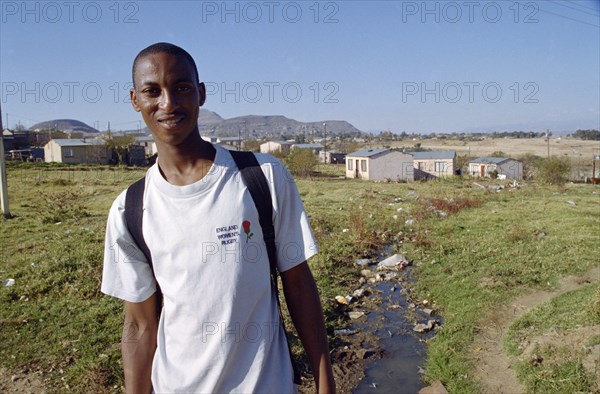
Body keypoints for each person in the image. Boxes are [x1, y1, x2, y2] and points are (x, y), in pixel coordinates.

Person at [101, 42, 335, 393]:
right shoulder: (130, 209)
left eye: (182, 87)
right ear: (135, 100)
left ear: (201, 93)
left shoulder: (262, 177)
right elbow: (139, 325)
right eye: (153, 91)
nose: (169, 103)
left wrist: (325, 383)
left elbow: (299, 284)